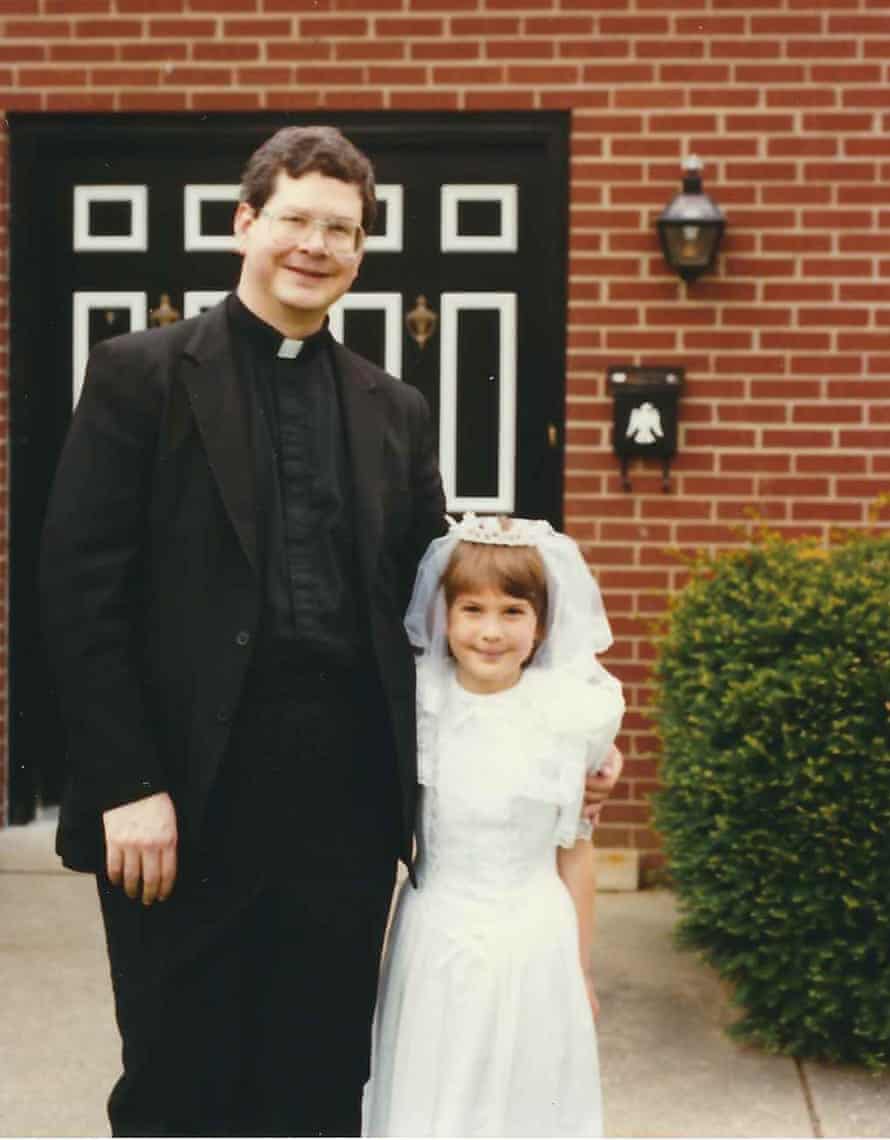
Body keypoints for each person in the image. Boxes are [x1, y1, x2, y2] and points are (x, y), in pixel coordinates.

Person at [40, 125, 622, 1138]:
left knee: (315, 1086)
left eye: (341, 229)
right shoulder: (140, 375)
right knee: (180, 1082)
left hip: (343, 808)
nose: (316, 244)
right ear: (245, 224)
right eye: (296, 219)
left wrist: (561, 737)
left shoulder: (393, 409)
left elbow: (448, 610)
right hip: (180, 802)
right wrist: (128, 783)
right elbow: (81, 592)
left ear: (359, 252)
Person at [362, 513, 625, 1138]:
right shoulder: (420, 706)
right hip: (438, 936)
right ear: (444, 616)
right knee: (437, 1093)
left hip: (535, 939)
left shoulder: (569, 716)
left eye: (513, 612)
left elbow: (575, 850)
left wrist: (581, 970)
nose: (490, 632)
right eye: (472, 610)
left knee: (523, 1098)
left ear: (541, 624)